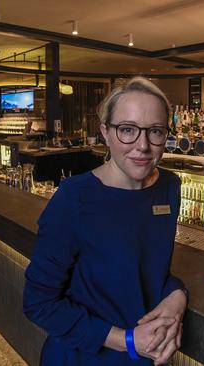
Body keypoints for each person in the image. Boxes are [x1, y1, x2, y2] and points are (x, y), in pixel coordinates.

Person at [23, 77, 187, 366]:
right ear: (105, 133)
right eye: (127, 130)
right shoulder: (74, 197)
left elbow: (147, 267)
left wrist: (177, 296)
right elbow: (39, 303)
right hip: (84, 357)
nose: (143, 146)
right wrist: (125, 340)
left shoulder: (169, 187)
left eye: (156, 131)